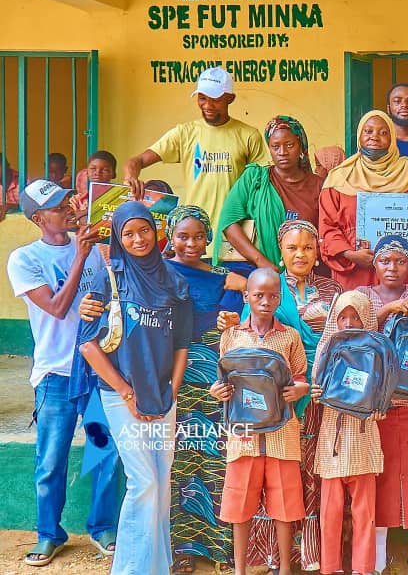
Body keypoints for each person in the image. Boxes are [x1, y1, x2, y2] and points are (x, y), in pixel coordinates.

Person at [218, 219, 343, 571]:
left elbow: (341, 341)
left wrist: (312, 384)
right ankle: (265, 557)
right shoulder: (267, 288)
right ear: (281, 253)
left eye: (307, 247)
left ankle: (307, 557)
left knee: (303, 482)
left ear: (318, 252)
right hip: (268, 407)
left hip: (320, 396)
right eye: (292, 247)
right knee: (258, 479)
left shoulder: (331, 291)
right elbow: (243, 357)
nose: (300, 253)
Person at [78, 201, 194, 575]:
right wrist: (128, 393)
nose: (138, 238)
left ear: (156, 232)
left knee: (160, 485)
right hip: (120, 397)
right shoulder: (109, 278)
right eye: (128, 233)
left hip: (163, 398)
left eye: (144, 230)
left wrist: (172, 391)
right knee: (143, 483)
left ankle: (157, 566)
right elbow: (87, 345)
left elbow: (181, 344)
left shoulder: (173, 280)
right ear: (118, 237)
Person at [6, 180, 118, 567]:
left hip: (97, 369)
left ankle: (103, 527)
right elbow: (55, 307)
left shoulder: (93, 249)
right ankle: (48, 533)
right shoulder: (25, 259)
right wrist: (80, 256)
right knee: (51, 458)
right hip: (56, 374)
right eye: (57, 207)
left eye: (68, 200)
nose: (69, 208)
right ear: (39, 218)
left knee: (104, 449)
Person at [162, 206, 245, 573]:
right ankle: (181, 549)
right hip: (177, 373)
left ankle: (216, 546)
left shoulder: (220, 275)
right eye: (182, 236)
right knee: (181, 462)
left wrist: (233, 316)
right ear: (170, 237)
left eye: (198, 236)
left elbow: (259, 287)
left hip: (211, 376)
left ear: (209, 238)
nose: (191, 243)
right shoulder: (159, 271)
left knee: (215, 459)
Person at [211, 268, 309, 575]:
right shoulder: (231, 336)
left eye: (272, 296)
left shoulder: (289, 336)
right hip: (244, 435)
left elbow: (300, 377)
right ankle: (240, 568)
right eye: (258, 295)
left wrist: (300, 389)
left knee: (285, 505)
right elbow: (222, 380)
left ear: (280, 298)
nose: (265, 301)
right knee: (240, 505)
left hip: (282, 431)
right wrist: (218, 391)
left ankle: (284, 569)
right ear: (246, 296)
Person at [354, 236, 408, 575]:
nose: (392, 268)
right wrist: (387, 311)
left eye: (400, 261)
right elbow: (352, 337)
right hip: (377, 407)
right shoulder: (361, 298)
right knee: (380, 479)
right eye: (385, 261)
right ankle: (376, 555)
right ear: (374, 264)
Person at [122, 66, 270, 232]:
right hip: (195, 235)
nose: (207, 105)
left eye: (215, 99)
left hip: (237, 234)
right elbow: (138, 161)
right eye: (202, 98)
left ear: (230, 98)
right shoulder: (184, 133)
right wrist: (130, 177)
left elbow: (265, 183)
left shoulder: (248, 135)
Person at [310, 291, 384, 575]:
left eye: (356, 317)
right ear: (334, 320)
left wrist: (379, 408)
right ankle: (330, 568)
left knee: (365, 514)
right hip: (333, 440)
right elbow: (317, 385)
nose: (350, 322)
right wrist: (316, 393)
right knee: (330, 513)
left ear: (367, 319)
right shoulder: (326, 347)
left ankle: (363, 569)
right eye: (343, 317)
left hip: (363, 439)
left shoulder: (377, 351)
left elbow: (383, 393)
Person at [319, 110, 408, 289]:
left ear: (393, 137)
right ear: (359, 136)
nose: (375, 137)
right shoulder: (339, 178)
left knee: (404, 315)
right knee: (358, 315)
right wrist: (350, 254)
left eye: (383, 132)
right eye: (368, 131)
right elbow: (327, 229)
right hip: (356, 273)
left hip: (403, 274)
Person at [215, 116, 324, 270]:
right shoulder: (254, 179)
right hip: (258, 274)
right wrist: (260, 261)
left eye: (289, 145)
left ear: (301, 146)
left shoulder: (319, 186)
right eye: (275, 146)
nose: (282, 152)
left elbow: (326, 234)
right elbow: (229, 221)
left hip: (307, 275)